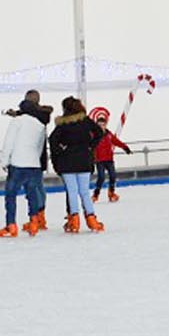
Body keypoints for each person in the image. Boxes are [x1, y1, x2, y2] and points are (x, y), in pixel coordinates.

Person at [46, 97, 104, 234]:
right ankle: (92, 220)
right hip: (84, 160)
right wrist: (90, 146)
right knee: (84, 192)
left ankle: (74, 221)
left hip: (67, 162)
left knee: (72, 192)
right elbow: (99, 132)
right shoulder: (85, 121)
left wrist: (61, 152)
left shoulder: (62, 124)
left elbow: (52, 140)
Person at [0, 92, 51, 238]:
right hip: (34, 164)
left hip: (17, 163)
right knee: (32, 193)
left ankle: (11, 225)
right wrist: (36, 160)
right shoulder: (40, 124)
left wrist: (4, 160)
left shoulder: (17, 121)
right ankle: (34, 222)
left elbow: (9, 142)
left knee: (11, 195)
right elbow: (40, 146)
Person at [90, 107, 131, 204]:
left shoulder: (108, 134)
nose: (101, 126)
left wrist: (125, 147)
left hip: (109, 159)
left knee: (113, 176)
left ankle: (111, 193)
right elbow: (90, 145)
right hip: (99, 160)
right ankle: (96, 194)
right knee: (101, 177)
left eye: (103, 125)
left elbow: (116, 141)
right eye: (99, 125)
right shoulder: (94, 135)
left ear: (105, 125)